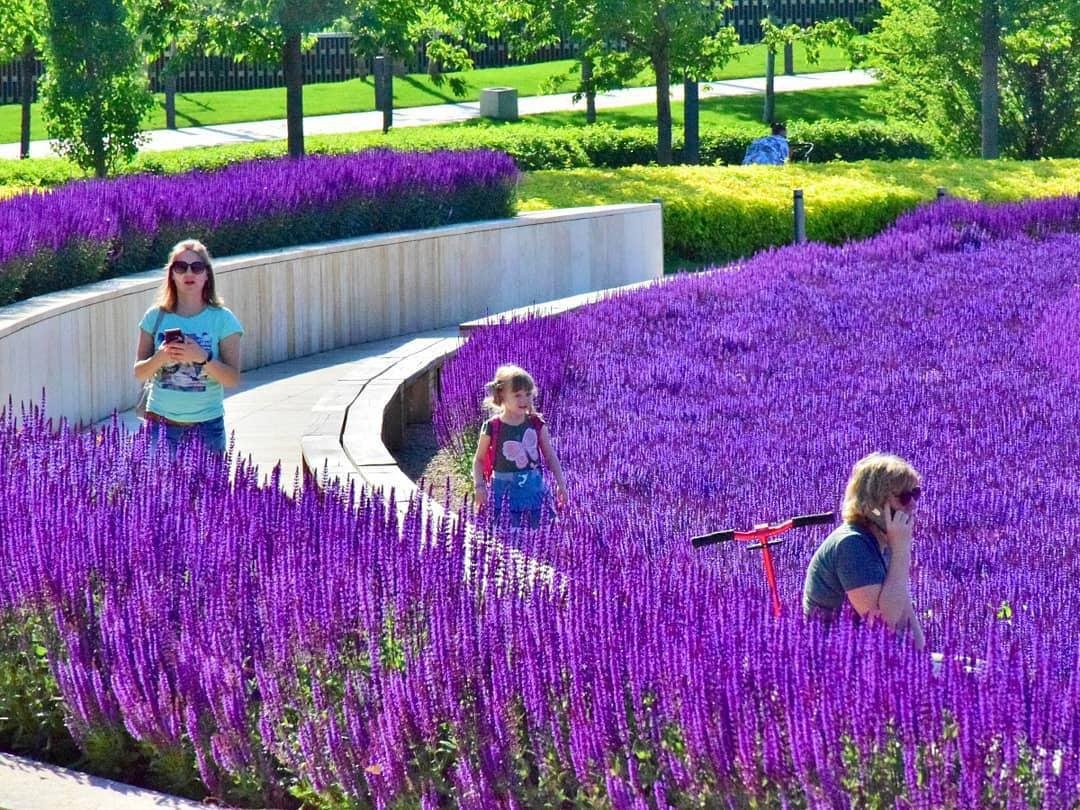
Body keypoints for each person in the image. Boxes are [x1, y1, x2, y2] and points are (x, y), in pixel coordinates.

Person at [803, 452, 926, 649]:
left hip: (870, 656)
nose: (913, 504)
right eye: (903, 497)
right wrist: (901, 551)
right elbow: (885, 624)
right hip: (838, 661)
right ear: (874, 506)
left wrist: (922, 661)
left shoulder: (882, 542)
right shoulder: (852, 545)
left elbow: (906, 622)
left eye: (915, 494)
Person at [133, 239, 244, 454]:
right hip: (160, 426)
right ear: (172, 275)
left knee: (209, 489)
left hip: (207, 427)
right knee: (157, 488)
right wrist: (161, 357)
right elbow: (138, 372)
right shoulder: (155, 317)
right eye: (181, 268)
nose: (188, 273)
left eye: (197, 267)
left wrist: (201, 357)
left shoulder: (223, 319)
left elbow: (232, 378)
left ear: (206, 275)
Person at [472, 364, 568, 528]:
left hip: (533, 493)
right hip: (503, 495)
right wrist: (479, 486)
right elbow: (479, 459)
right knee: (506, 537)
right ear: (502, 395)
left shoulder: (536, 423)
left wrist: (561, 483)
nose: (524, 400)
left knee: (540, 536)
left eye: (528, 394)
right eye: (517, 395)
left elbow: (550, 456)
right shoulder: (492, 426)